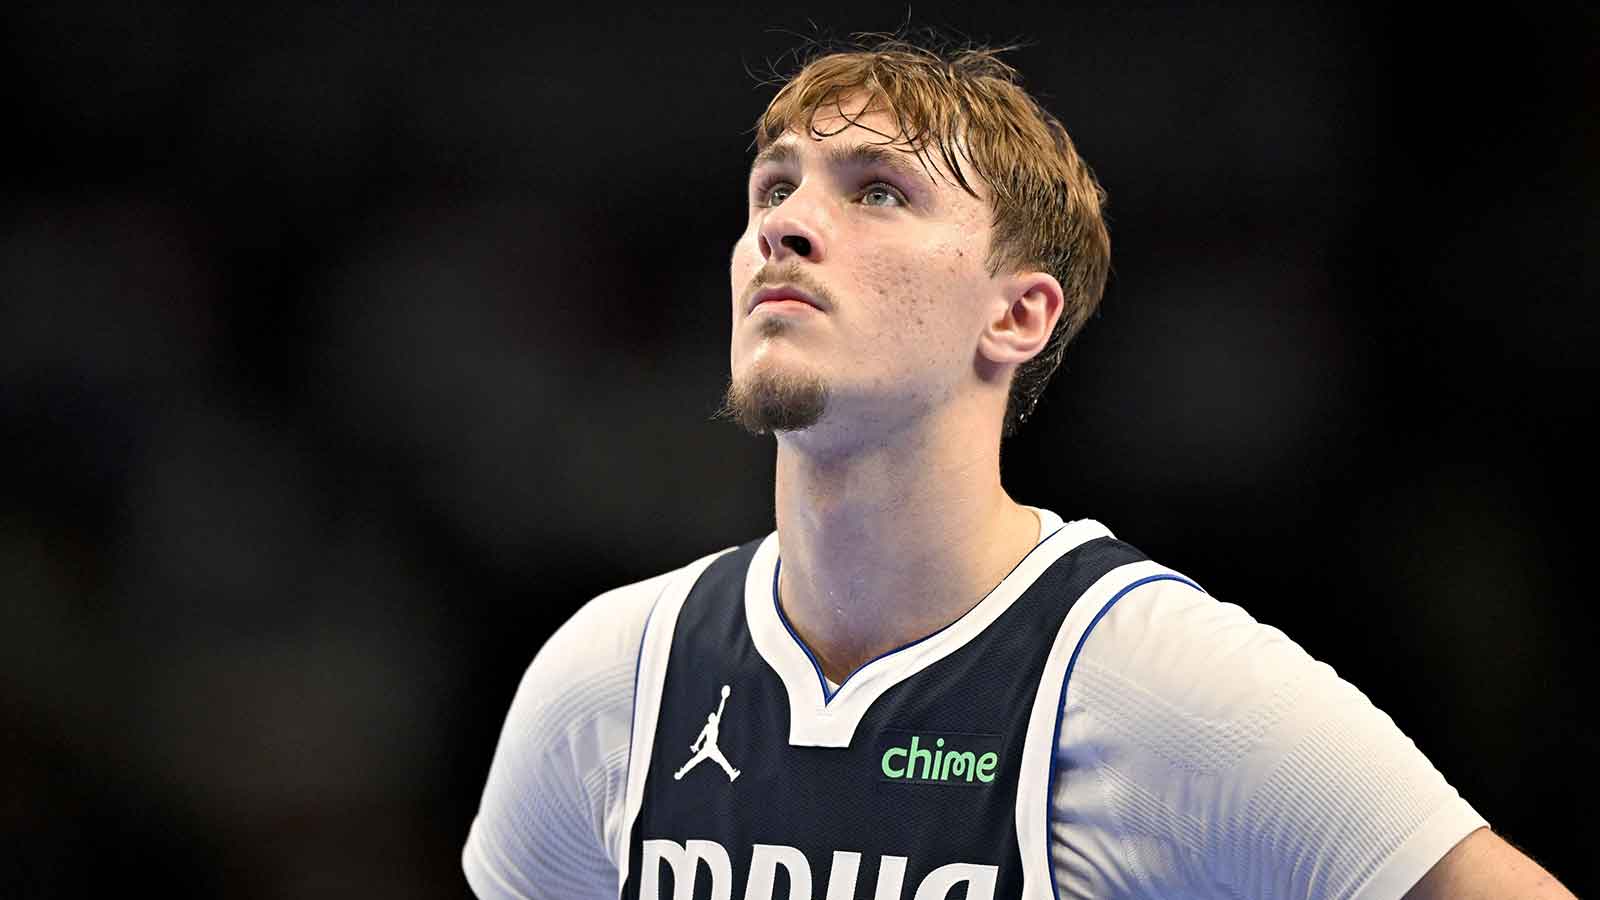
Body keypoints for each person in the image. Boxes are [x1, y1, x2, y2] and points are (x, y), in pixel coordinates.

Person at [462, 35, 1574, 900]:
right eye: (773, 188)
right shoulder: (609, 678)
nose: (787, 227)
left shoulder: (1156, 679)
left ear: (1017, 314)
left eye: (877, 191)